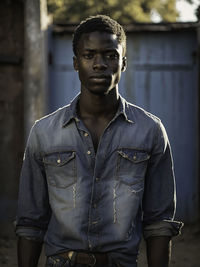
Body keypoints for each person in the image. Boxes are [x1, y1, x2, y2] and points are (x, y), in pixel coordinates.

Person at [16, 15, 182, 267]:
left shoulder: (150, 131)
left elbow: (159, 223)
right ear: (75, 62)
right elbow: (30, 223)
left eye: (110, 55)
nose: (99, 64)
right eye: (89, 55)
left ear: (123, 62)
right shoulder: (44, 132)